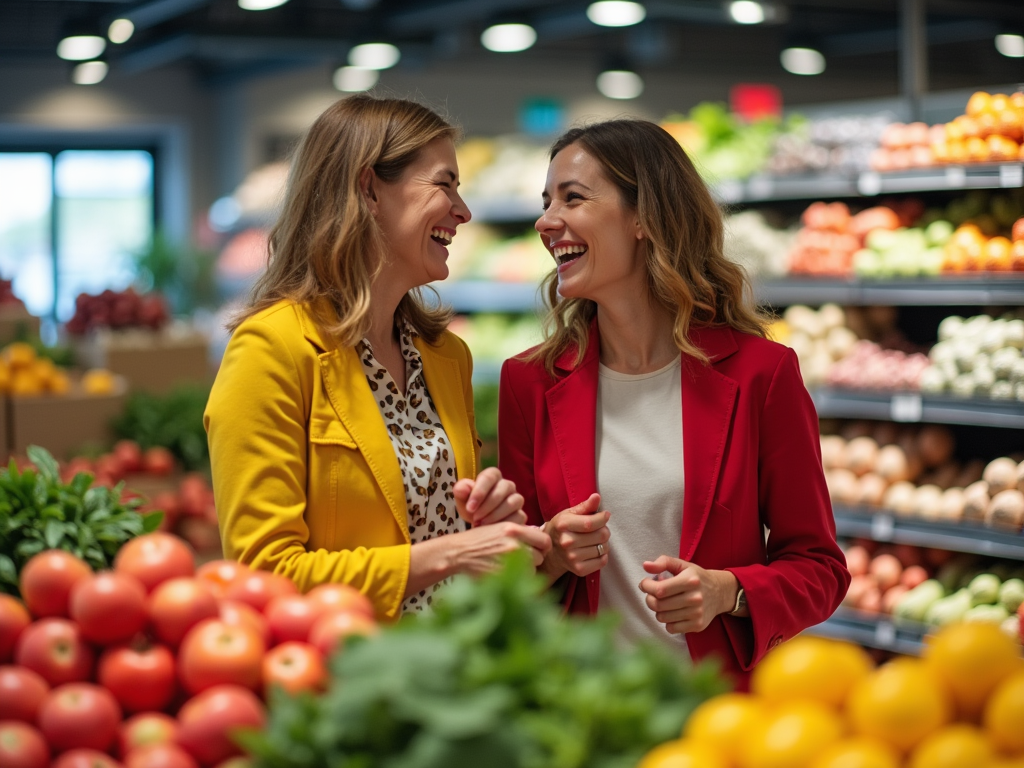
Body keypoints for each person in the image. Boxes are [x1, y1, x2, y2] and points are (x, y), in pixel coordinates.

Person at [497, 119, 849, 687]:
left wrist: (728, 592)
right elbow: (509, 579)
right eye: (545, 202)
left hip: (713, 718)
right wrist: (553, 556)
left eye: (573, 198)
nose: (546, 221)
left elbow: (820, 569)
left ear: (643, 218)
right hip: (580, 713)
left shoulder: (762, 375)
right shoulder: (530, 383)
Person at [205, 94, 550, 622]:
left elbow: (431, 527)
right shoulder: (271, 351)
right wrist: (451, 554)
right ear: (369, 189)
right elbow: (263, 575)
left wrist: (483, 523)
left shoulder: (445, 356)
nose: (463, 211)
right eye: (444, 184)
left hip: (450, 670)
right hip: (345, 675)